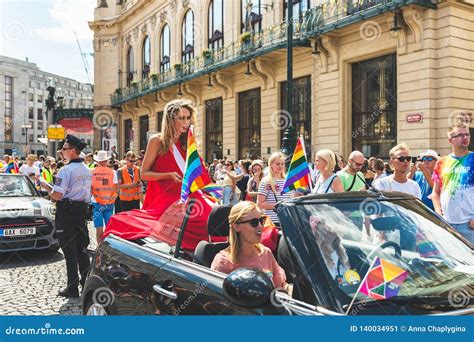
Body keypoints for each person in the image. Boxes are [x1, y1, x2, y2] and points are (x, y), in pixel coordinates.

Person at [105, 99, 221, 251]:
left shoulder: (188, 143)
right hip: (165, 200)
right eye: (181, 118)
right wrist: (168, 175)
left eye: (188, 118)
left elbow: (201, 177)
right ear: (170, 119)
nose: (186, 122)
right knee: (118, 221)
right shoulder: (157, 141)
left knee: (215, 220)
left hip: (190, 198)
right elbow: (144, 174)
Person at [40, 135, 91, 298]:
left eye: (64, 148)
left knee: (69, 251)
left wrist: (46, 186)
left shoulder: (66, 170)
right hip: (81, 212)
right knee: (82, 250)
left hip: (67, 214)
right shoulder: (86, 169)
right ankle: (86, 283)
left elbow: (56, 195)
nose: (62, 151)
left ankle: (72, 288)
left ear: (74, 151)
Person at [211, 201, 289, 290]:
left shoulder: (265, 253)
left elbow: (280, 288)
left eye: (261, 220)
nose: (260, 226)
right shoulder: (223, 262)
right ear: (236, 227)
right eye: (254, 222)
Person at [432, 123, 473, 244]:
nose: (465, 137)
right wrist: (439, 214)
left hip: (469, 226)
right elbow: (435, 192)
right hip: (447, 225)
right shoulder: (441, 162)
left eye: (467, 134)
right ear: (451, 140)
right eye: (460, 135)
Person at [257, 152, 294, 226]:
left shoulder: (289, 180)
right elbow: (260, 204)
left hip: (288, 220)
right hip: (272, 223)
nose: (280, 166)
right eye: (277, 164)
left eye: (282, 164)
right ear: (271, 165)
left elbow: (291, 199)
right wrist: (278, 206)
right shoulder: (266, 181)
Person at [91, 150, 118, 243]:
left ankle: (100, 249)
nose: (103, 163)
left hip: (97, 203)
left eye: (102, 161)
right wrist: (112, 200)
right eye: (102, 161)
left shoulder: (92, 172)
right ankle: (104, 249)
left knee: (101, 228)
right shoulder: (113, 172)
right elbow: (115, 188)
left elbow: (90, 188)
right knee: (107, 229)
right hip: (107, 204)